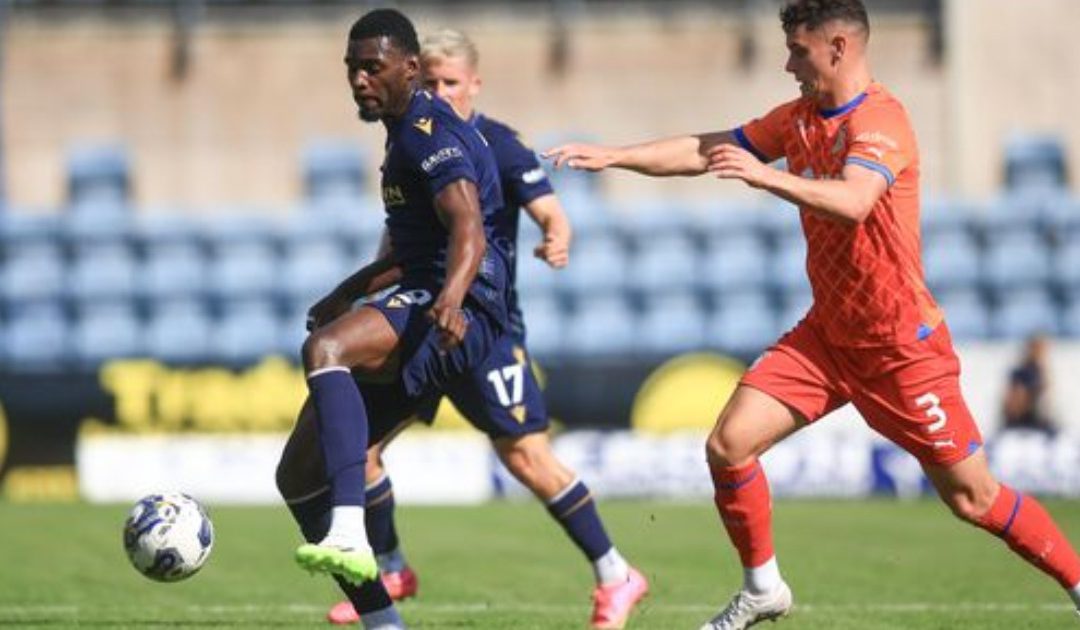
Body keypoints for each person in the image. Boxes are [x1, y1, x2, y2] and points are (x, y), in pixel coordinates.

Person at [545, 1, 1080, 628]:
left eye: (798, 50)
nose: (788, 63)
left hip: (900, 347)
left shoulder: (882, 120)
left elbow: (854, 201)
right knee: (729, 444)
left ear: (838, 48)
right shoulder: (798, 119)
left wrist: (765, 179)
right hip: (828, 337)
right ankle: (763, 588)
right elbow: (706, 148)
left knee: (974, 497)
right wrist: (613, 156)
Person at [324, 28, 649, 630]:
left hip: (483, 331)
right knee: (359, 449)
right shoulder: (411, 140)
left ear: (474, 83)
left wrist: (558, 235)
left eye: (451, 82)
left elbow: (549, 208)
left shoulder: (494, 144)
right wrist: (370, 290)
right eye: (432, 82)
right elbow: (403, 236)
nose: (439, 91)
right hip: (423, 316)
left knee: (525, 456)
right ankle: (391, 565)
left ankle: (614, 571)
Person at [275, 9, 512, 630]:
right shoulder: (402, 131)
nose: (359, 79)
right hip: (432, 297)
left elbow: (468, 229)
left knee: (326, 350)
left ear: (411, 68)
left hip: (460, 310)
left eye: (372, 67)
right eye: (352, 68)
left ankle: (352, 530)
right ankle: (385, 624)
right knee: (298, 476)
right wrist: (346, 292)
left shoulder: (427, 133)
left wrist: (455, 299)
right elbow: (415, 250)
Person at [1001, 333, 1056, 435]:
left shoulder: (1039, 371)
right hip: (1021, 423)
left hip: (1034, 421)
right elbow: (1015, 403)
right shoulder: (1022, 373)